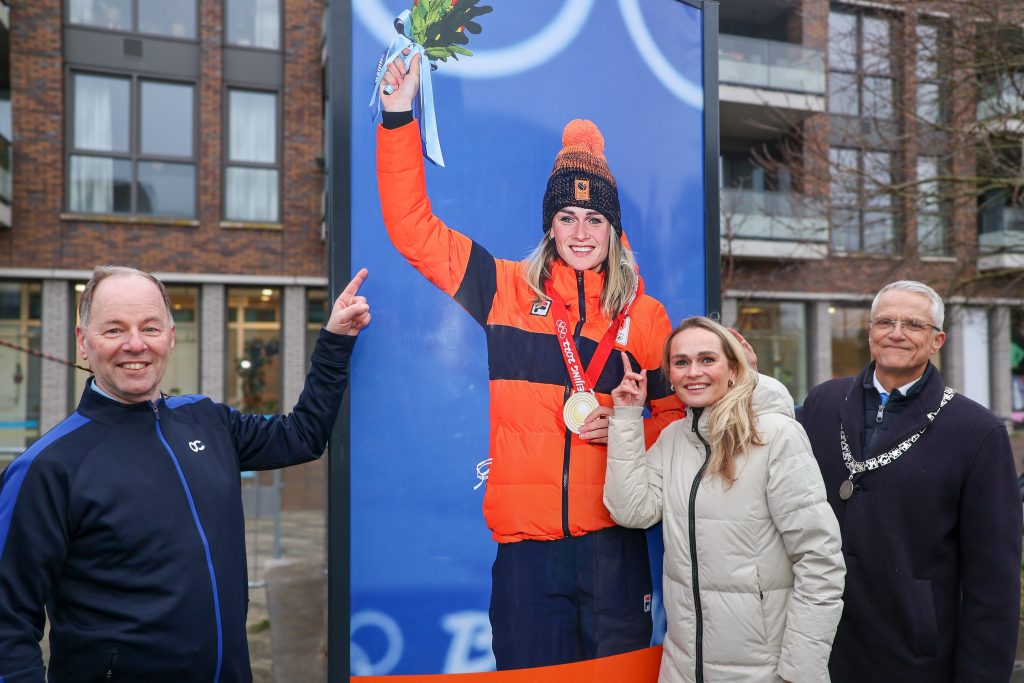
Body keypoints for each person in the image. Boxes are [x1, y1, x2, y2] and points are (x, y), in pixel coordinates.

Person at [377, 52, 683, 669]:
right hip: (526, 555)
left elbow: (678, 424)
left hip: (617, 548)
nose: (580, 231)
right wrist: (396, 114)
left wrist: (631, 426)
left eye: (595, 218)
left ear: (614, 230)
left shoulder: (645, 318)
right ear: (549, 225)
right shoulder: (504, 289)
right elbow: (413, 229)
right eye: (566, 217)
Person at [0, 264, 371, 682]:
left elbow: (302, 435)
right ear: (83, 343)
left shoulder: (206, 420)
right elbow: (7, 622)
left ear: (171, 337)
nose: (136, 344)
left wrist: (335, 341)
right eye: (114, 330)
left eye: (151, 328)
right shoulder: (46, 467)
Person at [797, 280, 1022, 682]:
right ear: (869, 332)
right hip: (817, 646)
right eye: (885, 321)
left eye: (913, 325)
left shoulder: (977, 430)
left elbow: (994, 580)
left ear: (937, 341)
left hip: (913, 657)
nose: (896, 333)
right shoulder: (822, 403)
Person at [605, 316, 846, 683]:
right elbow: (632, 511)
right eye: (681, 362)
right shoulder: (673, 439)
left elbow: (820, 561)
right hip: (682, 669)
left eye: (707, 359)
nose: (693, 372)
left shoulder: (777, 436)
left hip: (764, 673)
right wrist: (625, 417)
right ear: (670, 375)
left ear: (733, 369)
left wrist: (801, 671)